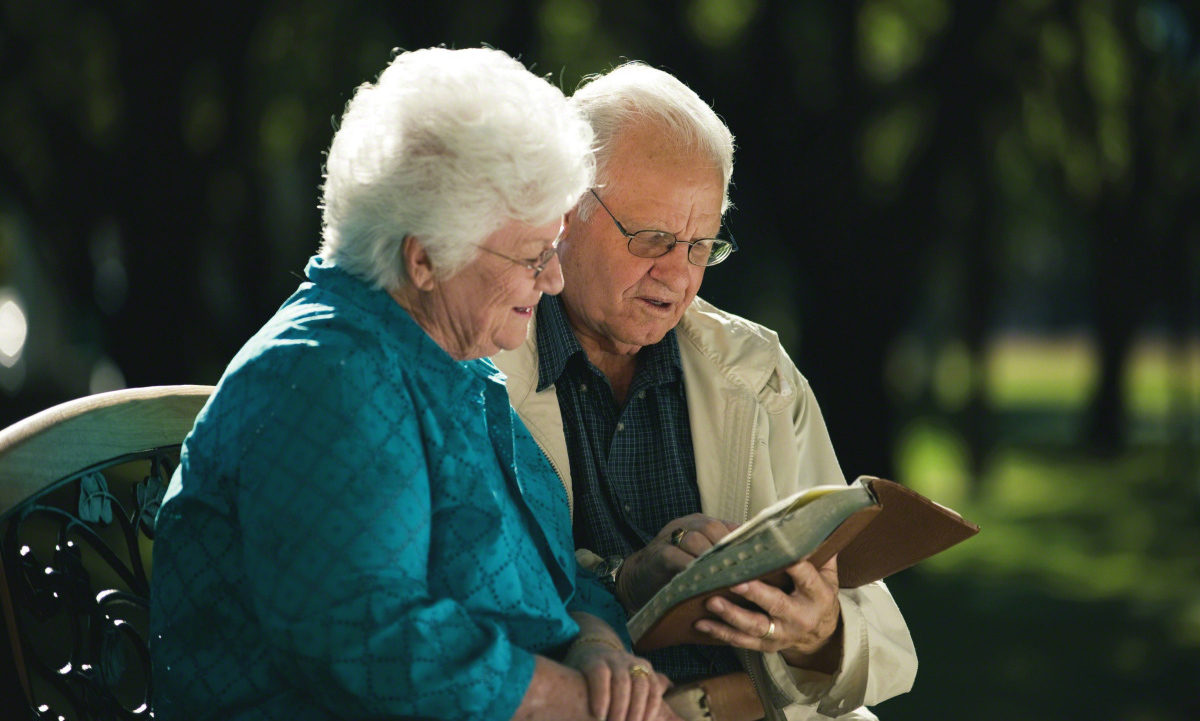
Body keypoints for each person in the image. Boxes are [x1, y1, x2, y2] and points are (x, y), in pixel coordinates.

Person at [150, 48, 679, 721]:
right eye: (533, 256)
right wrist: (577, 703)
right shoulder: (326, 376)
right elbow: (371, 642)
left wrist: (596, 648)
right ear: (424, 258)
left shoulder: (448, 365)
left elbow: (549, 579)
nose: (553, 280)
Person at [493, 62, 918, 720]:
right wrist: (626, 583)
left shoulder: (757, 370)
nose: (678, 277)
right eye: (653, 240)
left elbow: (882, 644)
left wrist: (818, 633)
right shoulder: (478, 361)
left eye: (701, 246)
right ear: (563, 211)